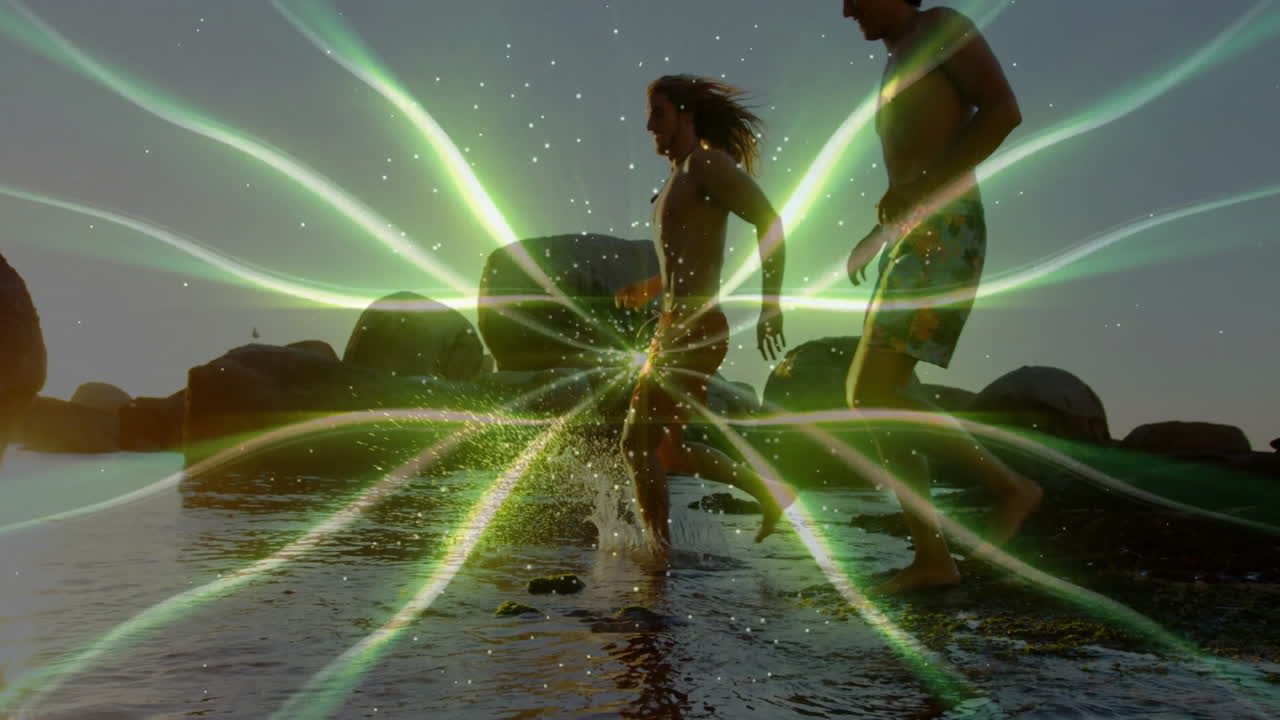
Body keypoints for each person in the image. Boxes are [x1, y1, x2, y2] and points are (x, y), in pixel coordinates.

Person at [839, 0, 1043, 592]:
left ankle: (1011, 490)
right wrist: (881, 231)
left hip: (946, 230)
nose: (846, 7)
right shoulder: (899, 55)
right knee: (886, 390)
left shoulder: (939, 27)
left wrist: (924, 189)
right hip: (915, 235)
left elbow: (1003, 111)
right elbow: (915, 159)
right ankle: (931, 558)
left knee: (870, 389)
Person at [615, 74, 790, 557]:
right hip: (673, 329)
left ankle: (657, 557)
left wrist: (769, 303)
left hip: (695, 330)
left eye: (659, 114)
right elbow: (688, 260)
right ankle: (768, 490)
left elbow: (769, 221)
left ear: (687, 116)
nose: (649, 124)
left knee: (635, 445)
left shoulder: (706, 165)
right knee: (667, 450)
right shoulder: (675, 181)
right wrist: (649, 288)